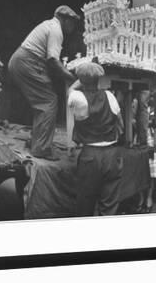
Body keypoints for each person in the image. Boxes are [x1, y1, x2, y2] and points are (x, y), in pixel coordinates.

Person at [8, 6, 80, 161]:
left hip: (21, 60)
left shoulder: (48, 25)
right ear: (65, 19)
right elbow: (53, 61)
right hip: (26, 62)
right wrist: (71, 77)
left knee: (41, 102)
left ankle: (36, 141)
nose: (73, 27)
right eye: (72, 22)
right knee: (48, 101)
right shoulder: (56, 30)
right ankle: (41, 148)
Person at [68, 62, 123, 216]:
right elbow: (120, 122)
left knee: (85, 204)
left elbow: (70, 89)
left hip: (91, 156)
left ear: (80, 79)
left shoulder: (77, 98)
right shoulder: (109, 95)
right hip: (112, 153)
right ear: (99, 78)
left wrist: (83, 77)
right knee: (109, 204)